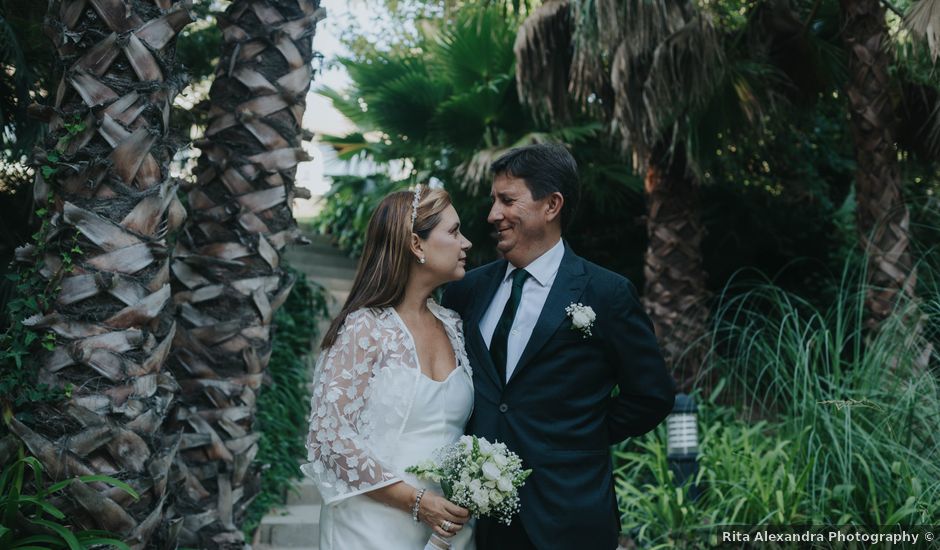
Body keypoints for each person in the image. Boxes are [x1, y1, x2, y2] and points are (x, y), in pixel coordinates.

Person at [442, 143, 676, 550]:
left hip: (571, 515)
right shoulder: (469, 289)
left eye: (507, 200)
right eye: (493, 200)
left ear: (551, 205)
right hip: (488, 520)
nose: (492, 214)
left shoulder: (606, 293)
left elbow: (652, 395)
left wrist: (578, 434)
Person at [302, 186, 476, 549]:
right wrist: (416, 501)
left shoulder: (455, 326)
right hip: (371, 525)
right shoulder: (365, 328)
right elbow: (329, 435)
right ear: (416, 244)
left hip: (446, 531)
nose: (467, 243)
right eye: (454, 231)